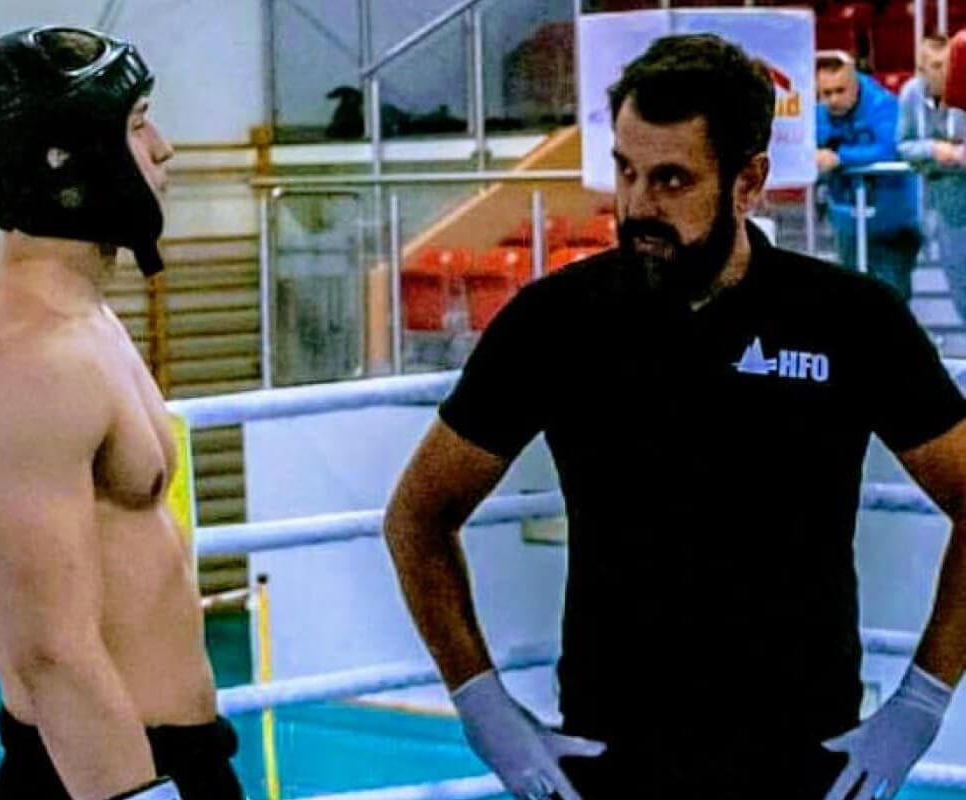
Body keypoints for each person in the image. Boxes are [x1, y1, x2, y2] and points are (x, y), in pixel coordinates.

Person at [383, 33, 966, 800]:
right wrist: (482, 707)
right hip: (612, 758)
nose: (637, 207)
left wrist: (921, 705)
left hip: (804, 759)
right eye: (625, 171)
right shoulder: (557, 322)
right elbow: (417, 516)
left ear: (748, 181)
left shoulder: (848, 319)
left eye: (671, 180)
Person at [0, 26, 244, 800]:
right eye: (137, 125)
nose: (163, 149)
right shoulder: (27, 355)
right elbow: (52, 649)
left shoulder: (74, 311)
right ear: (70, 159)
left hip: (162, 758)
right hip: (102, 772)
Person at [816, 50, 924, 302]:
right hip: (848, 220)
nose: (833, 100)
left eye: (840, 91)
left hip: (893, 222)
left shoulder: (883, 105)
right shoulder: (818, 111)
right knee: (852, 298)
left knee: (891, 300)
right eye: (826, 93)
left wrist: (840, 157)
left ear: (856, 84)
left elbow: (891, 148)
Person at [898, 34, 966, 332]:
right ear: (920, 69)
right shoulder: (911, 94)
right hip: (938, 204)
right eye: (934, 66)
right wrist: (933, 150)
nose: (942, 72)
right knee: (959, 287)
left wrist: (958, 155)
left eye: (947, 64)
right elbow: (903, 146)